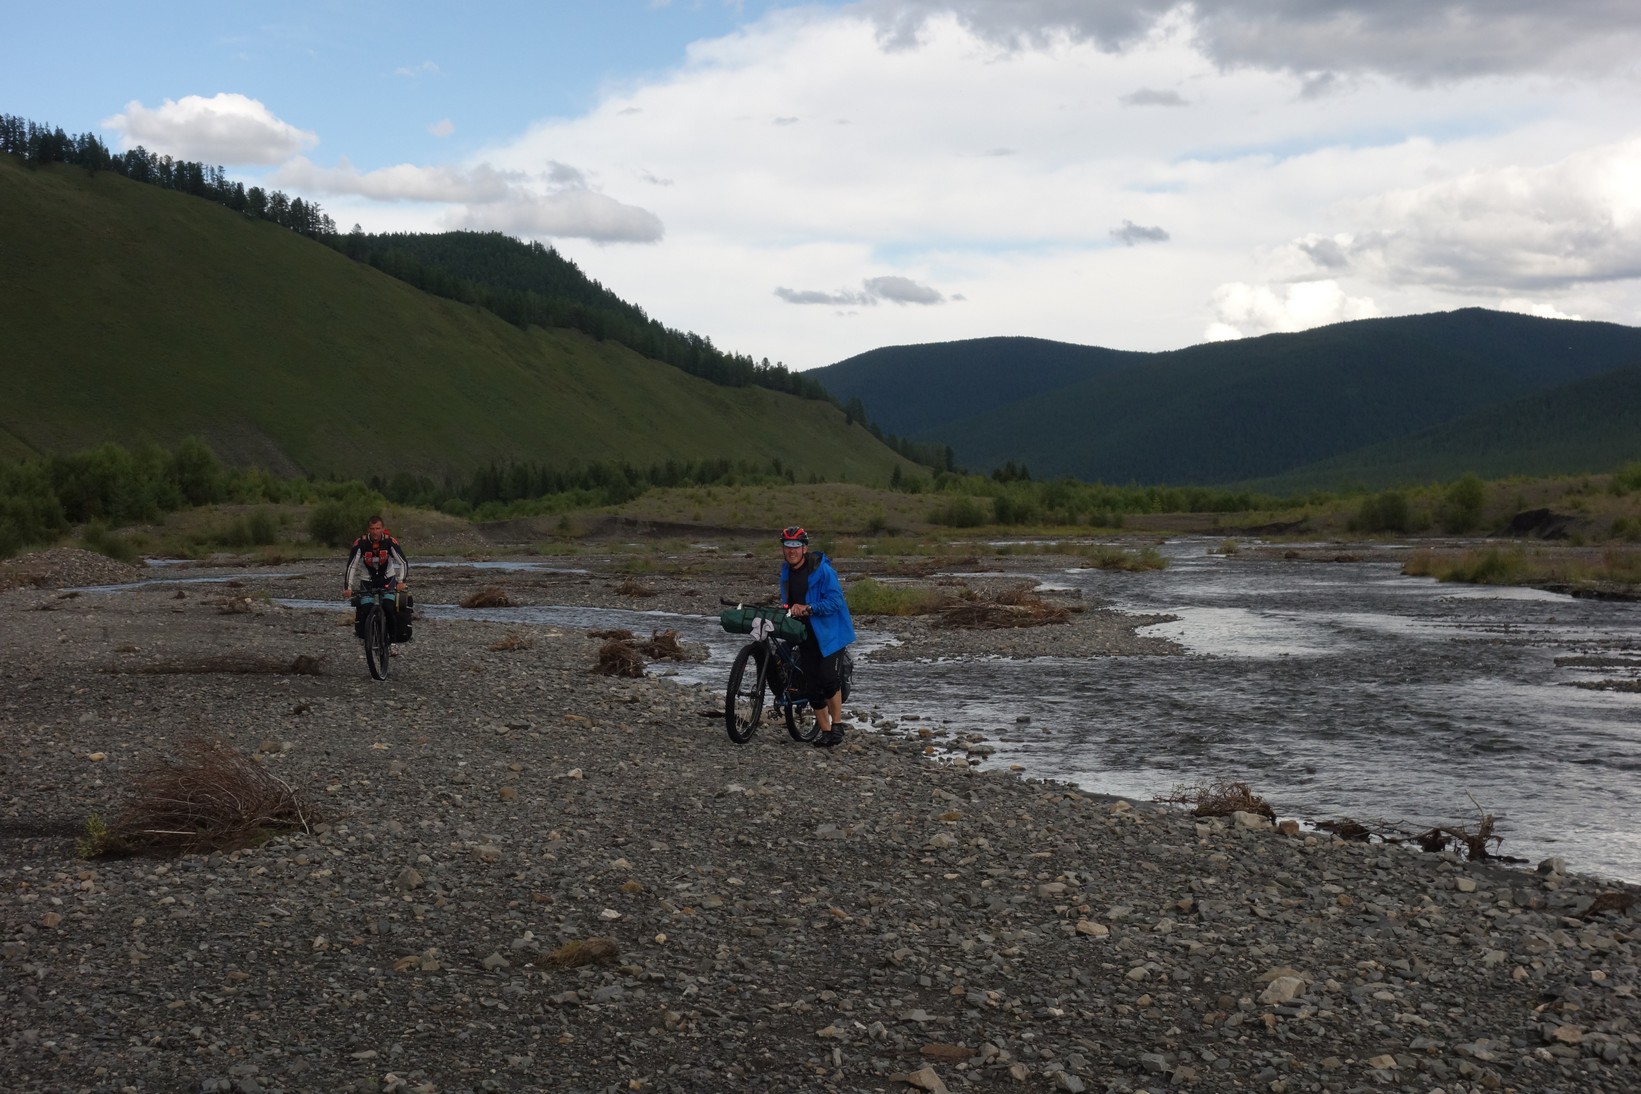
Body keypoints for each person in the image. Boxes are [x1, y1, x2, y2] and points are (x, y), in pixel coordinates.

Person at [779, 525, 856, 749]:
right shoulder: (785, 571)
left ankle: (838, 725)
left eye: (796, 545)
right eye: (787, 545)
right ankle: (826, 732)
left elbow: (836, 602)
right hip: (805, 634)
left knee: (828, 679)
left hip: (831, 633)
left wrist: (810, 608)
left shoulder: (822, 571)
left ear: (805, 548)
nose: (791, 550)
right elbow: (789, 600)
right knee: (811, 686)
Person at [343, 515, 409, 643]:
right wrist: (348, 587)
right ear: (368, 529)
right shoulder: (361, 543)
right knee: (366, 609)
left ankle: (393, 642)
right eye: (372, 528)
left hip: (387, 579)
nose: (375, 532)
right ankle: (369, 637)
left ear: (383, 529)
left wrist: (402, 581)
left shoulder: (390, 542)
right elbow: (351, 566)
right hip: (367, 580)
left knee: (389, 609)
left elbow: (403, 562)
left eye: (378, 528)